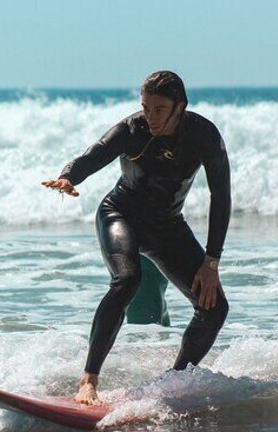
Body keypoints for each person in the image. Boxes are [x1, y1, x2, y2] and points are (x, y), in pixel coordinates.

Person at [42, 70, 231, 405]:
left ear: (180, 106)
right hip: (120, 215)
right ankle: (88, 381)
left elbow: (222, 197)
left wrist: (210, 261)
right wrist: (69, 176)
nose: (150, 117)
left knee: (213, 308)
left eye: (159, 109)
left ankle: (173, 382)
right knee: (127, 280)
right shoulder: (133, 129)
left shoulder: (203, 135)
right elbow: (96, 153)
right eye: (145, 107)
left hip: (167, 226)